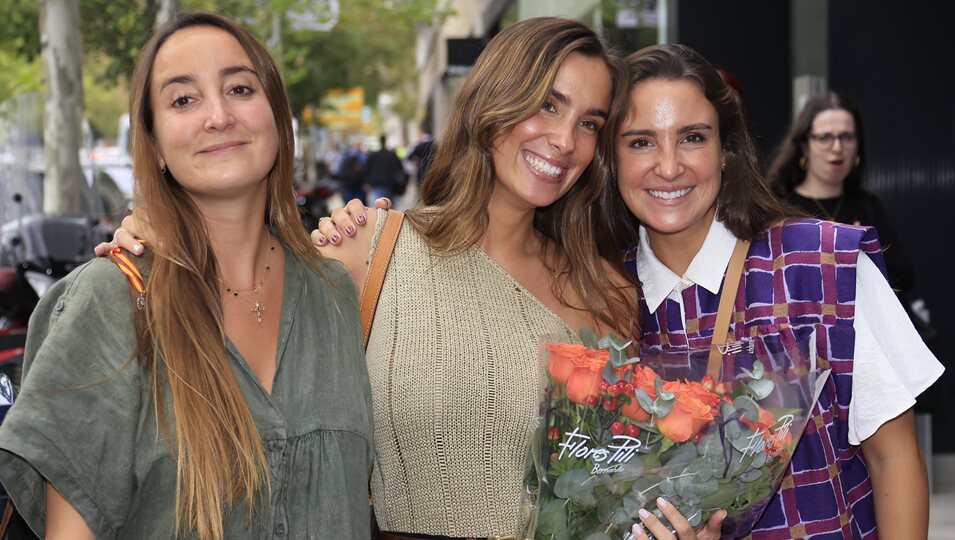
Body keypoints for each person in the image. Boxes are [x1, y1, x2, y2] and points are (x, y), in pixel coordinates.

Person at [106, 17, 724, 540]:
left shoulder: (606, 292)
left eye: (590, 123)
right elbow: (242, 312)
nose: (564, 140)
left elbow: (609, 486)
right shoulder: (371, 249)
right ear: (491, 102)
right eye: (546, 104)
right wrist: (156, 231)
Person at [0, 12, 373, 539]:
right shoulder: (110, 302)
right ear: (154, 146)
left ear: (276, 116)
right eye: (183, 100)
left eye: (240, 88)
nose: (219, 116)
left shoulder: (336, 294)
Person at [599, 44, 944, 539]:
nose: (669, 166)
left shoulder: (818, 266)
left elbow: (894, 458)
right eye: (640, 142)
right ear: (610, 159)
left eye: (693, 137)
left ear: (727, 150)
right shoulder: (600, 294)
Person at [767, 91, 915, 296]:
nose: (837, 148)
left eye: (846, 137)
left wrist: (865, 255)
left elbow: (906, 277)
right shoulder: (777, 205)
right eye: (824, 137)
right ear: (804, 146)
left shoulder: (867, 205)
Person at [363, 134, 408, 204]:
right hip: (391, 185)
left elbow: (367, 169)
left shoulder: (373, 155)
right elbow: (400, 169)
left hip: (377, 185)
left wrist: (366, 182)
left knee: (378, 210)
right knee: (391, 210)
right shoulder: (392, 155)